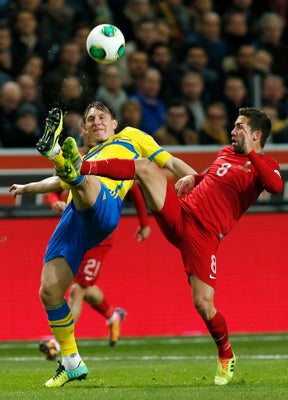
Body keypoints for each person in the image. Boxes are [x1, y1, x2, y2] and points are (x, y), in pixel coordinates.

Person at [58, 107, 283, 386]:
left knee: (203, 305)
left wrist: (251, 152)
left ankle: (226, 354)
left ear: (256, 135)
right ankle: (83, 167)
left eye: (240, 127)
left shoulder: (266, 165)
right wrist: (194, 178)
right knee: (145, 168)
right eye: (235, 126)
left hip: (205, 236)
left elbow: (275, 185)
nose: (233, 131)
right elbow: (215, 178)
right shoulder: (226, 152)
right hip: (182, 213)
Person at [9, 102, 196, 387]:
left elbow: (168, 162)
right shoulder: (86, 153)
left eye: (102, 117)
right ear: (85, 127)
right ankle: (72, 362)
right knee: (49, 291)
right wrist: (26, 188)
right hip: (74, 217)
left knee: (83, 178)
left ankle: (55, 152)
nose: (97, 122)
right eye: (91, 118)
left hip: (104, 206)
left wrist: (196, 177)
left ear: (115, 122)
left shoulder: (132, 137)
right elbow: (58, 181)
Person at [39, 122, 152, 360]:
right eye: (88, 126)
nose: (93, 130)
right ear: (82, 132)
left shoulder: (108, 154)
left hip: (98, 238)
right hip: (75, 231)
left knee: (78, 290)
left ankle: (58, 345)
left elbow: (135, 188)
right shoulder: (74, 156)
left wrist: (144, 223)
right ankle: (113, 315)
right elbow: (54, 187)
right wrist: (54, 203)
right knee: (85, 288)